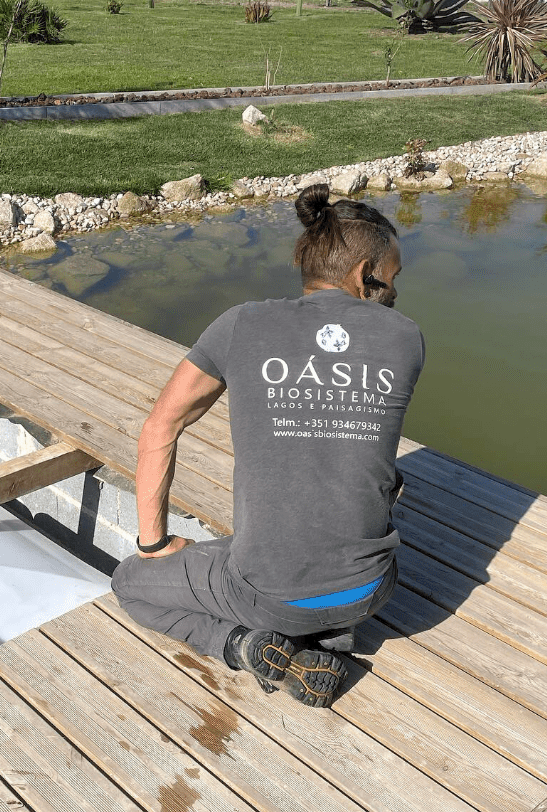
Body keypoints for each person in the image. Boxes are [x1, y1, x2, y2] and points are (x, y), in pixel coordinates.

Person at [110, 183, 425, 708]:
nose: (393, 293)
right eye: (389, 280)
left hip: (266, 595)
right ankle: (320, 641)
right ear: (361, 273)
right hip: (371, 591)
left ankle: (245, 644)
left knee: (129, 582)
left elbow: (159, 429)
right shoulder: (405, 336)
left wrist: (154, 546)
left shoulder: (241, 325)